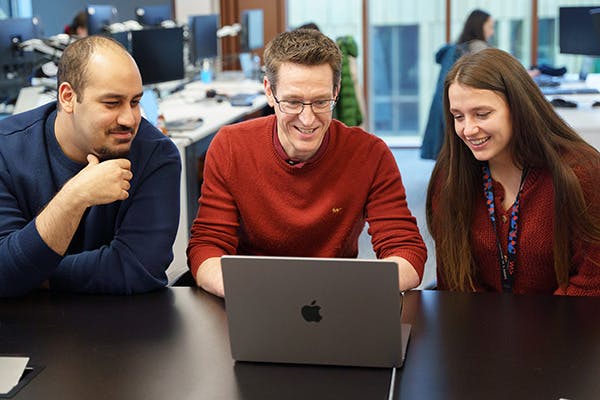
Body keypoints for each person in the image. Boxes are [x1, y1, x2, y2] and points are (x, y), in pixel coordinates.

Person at [187, 28, 427, 298]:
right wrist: (250, 291)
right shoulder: (231, 147)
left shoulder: (370, 154)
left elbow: (407, 251)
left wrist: (349, 291)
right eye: (292, 102)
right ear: (269, 91)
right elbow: (206, 248)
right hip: (252, 298)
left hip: (337, 301)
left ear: (336, 91)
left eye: (321, 101)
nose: (308, 119)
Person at [0, 35, 181, 297]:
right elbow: (4, 273)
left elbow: (139, 269)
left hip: (125, 330)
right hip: (23, 330)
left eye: (135, 101)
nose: (129, 119)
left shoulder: (157, 155)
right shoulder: (6, 149)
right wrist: (75, 197)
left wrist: (31, 272)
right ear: (68, 97)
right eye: (112, 103)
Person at [426, 48, 600, 296]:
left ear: (518, 108)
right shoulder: (450, 176)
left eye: (482, 114)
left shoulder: (581, 172)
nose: (468, 129)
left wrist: (537, 331)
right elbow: (455, 278)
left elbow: (592, 282)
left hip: (566, 324)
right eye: (458, 116)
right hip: (481, 326)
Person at [421, 9, 494, 160]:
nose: (492, 32)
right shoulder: (477, 47)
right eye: (490, 27)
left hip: (444, 107)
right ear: (480, 26)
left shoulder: (456, 48)